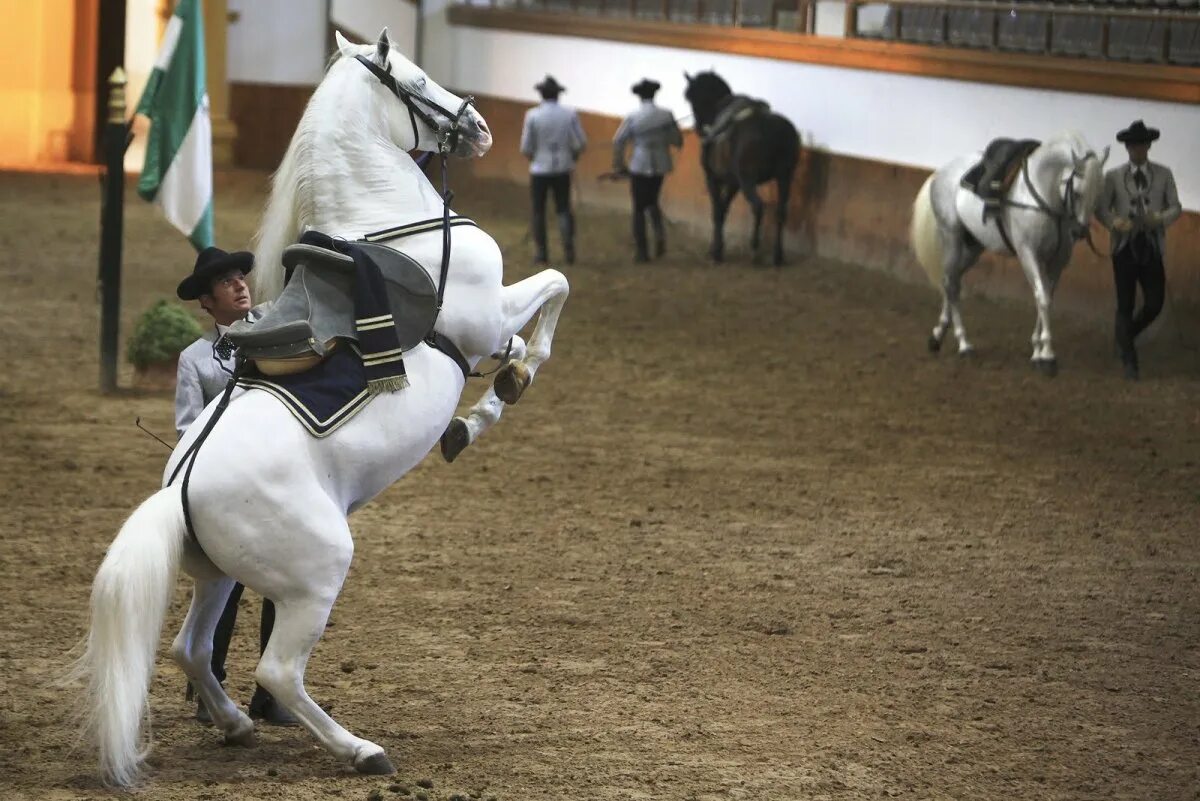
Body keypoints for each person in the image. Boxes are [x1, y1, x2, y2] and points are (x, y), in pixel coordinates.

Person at [174, 247, 296, 726]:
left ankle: (273, 693)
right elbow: (187, 429)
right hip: (228, 488)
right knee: (222, 587)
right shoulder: (195, 360)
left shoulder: (279, 329)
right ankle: (211, 684)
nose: (241, 285)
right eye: (226, 283)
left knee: (283, 587)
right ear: (207, 301)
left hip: (282, 479)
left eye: (241, 277)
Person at [1095, 120, 1182, 380]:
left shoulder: (1164, 174)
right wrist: (1114, 222)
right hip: (1124, 247)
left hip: (1152, 246)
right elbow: (1101, 209)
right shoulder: (1112, 177)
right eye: (1133, 146)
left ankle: (1126, 335)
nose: (1138, 150)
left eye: (1142, 145)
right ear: (1127, 147)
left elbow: (1176, 206)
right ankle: (1130, 361)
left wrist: (1160, 218)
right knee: (1125, 303)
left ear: (1148, 146)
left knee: (1155, 303)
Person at [612, 78, 683, 262]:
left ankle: (642, 251)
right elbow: (677, 140)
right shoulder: (666, 114)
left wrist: (619, 165)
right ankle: (659, 236)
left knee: (638, 207)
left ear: (639, 95)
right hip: (660, 164)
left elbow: (618, 140)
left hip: (639, 164)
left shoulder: (633, 115)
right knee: (652, 201)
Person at [520, 75, 586, 265]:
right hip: (563, 168)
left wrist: (535, 158)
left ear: (541, 94)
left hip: (540, 169)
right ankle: (568, 250)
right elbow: (581, 143)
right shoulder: (570, 113)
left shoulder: (532, 115)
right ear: (558, 95)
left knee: (538, 211)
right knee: (564, 209)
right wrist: (572, 156)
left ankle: (541, 253)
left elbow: (526, 147)